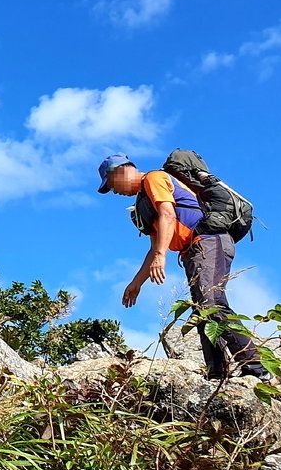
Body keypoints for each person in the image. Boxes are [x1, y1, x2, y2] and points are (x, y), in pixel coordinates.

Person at [97, 153, 269, 380]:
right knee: (202, 310)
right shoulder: (143, 204)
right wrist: (136, 283)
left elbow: (168, 214)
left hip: (208, 241)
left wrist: (161, 255)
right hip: (193, 252)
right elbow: (154, 247)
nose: (114, 191)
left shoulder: (154, 178)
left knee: (211, 303)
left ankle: (256, 368)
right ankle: (217, 373)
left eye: (111, 184)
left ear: (121, 171)